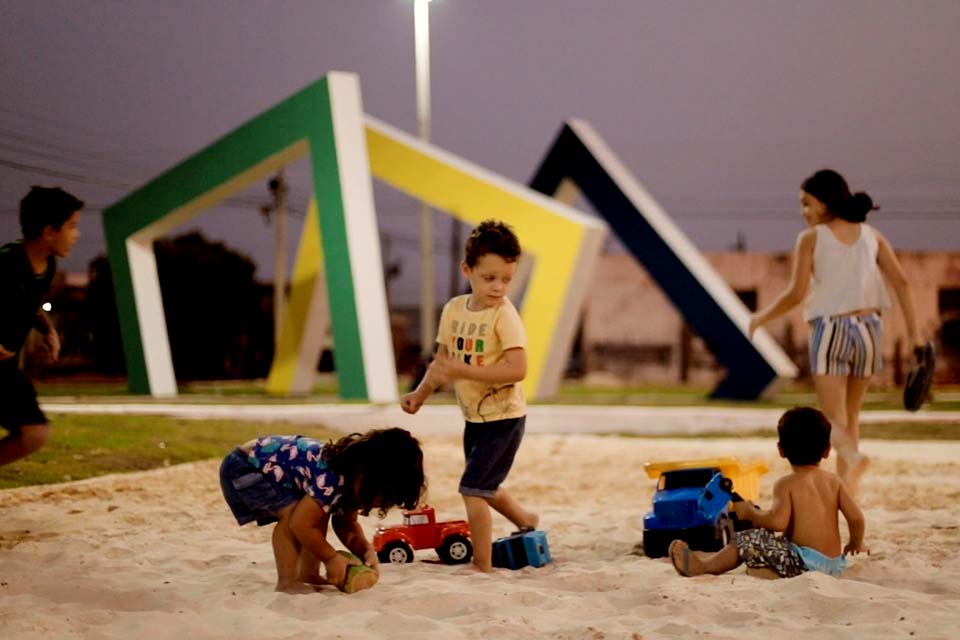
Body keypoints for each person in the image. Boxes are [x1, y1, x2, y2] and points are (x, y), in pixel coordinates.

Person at [748, 169, 922, 495]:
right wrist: (914, 334)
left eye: (807, 203)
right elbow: (902, 282)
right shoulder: (871, 235)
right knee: (851, 418)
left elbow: (796, 294)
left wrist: (761, 317)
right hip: (870, 329)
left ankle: (853, 458)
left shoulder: (811, 238)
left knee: (832, 419)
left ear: (825, 202)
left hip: (831, 329)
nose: (803, 211)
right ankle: (848, 493)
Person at [401, 219, 539, 572]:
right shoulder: (454, 310)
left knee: (473, 489)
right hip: (474, 418)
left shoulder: (504, 316)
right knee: (485, 485)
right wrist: (420, 393)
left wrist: (464, 371)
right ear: (468, 270)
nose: (499, 287)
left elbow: (518, 369)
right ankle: (526, 519)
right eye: (489, 277)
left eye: (506, 279)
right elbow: (442, 362)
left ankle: (482, 565)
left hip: (504, 418)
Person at [669, 406, 868, 579]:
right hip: (833, 565)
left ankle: (703, 567)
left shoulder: (786, 484)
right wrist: (855, 543)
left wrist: (751, 513)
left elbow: (777, 522)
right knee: (768, 538)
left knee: (745, 539)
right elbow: (856, 518)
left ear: (781, 450)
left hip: (803, 563)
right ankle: (765, 571)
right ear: (827, 450)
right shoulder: (834, 481)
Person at [219, 428, 425, 593]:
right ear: (365, 475)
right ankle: (287, 582)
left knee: (316, 514)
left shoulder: (351, 483)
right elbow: (300, 525)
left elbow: (346, 524)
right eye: (378, 496)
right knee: (294, 516)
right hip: (244, 467)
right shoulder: (333, 477)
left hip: (264, 469)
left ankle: (308, 574)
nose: (376, 504)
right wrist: (331, 558)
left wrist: (365, 550)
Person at [0, 186, 83, 467]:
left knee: (34, 433)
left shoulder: (47, 267)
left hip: (5, 368)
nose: (76, 235)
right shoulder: (6, 263)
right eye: (71, 226)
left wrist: (48, 330)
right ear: (49, 231)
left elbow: (31, 303)